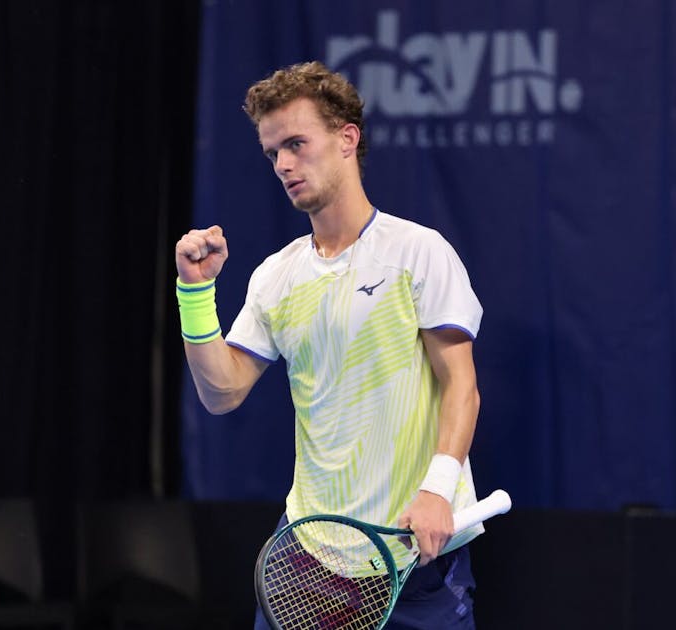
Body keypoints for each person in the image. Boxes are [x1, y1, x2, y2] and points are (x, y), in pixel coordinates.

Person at [174, 61, 483, 629]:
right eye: (273, 153)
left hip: (417, 555)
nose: (284, 165)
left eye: (296, 144)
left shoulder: (418, 252)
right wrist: (195, 294)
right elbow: (221, 393)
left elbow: (461, 384)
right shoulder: (277, 276)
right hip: (311, 555)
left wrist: (438, 490)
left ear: (347, 139)